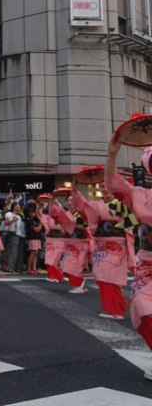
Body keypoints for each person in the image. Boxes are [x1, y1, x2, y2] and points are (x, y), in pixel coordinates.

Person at [105, 133, 152, 381]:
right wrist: (113, 152)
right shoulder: (142, 194)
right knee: (142, 308)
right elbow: (112, 183)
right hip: (148, 265)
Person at [72, 181, 135, 319]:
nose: (104, 189)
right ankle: (115, 306)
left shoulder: (121, 202)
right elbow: (84, 210)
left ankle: (116, 310)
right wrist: (76, 190)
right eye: (101, 186)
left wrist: (120, 226)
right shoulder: (97, 204)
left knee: (111, 276)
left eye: (107, 185)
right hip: (100, 244)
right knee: (101, 276)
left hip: (116, 244)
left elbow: (134, 217)